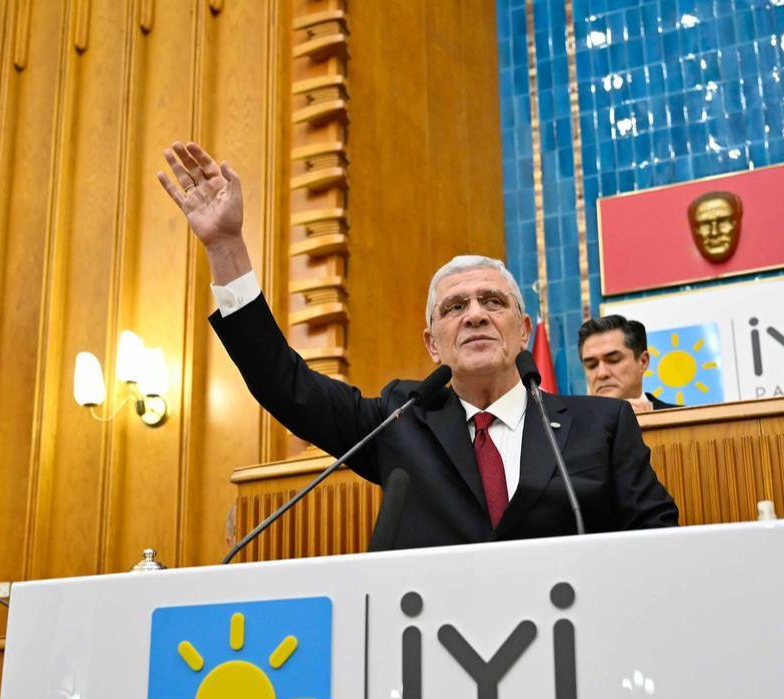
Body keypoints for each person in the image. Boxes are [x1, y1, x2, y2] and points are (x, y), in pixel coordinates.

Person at [157, 142, 678, 549]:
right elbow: (283, 384)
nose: (474, 313)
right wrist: (226, 248)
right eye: (454, 308)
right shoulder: (399, 421)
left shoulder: (601, 426)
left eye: (491, 302)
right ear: (433, 344)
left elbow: (657, 535)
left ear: (523, 329)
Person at [578, 315, 673, 413]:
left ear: (643, 361)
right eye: (592, 365)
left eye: (613, 360)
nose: (602, 373)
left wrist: (652, 423)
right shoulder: (573, 427)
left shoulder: (684, 419)